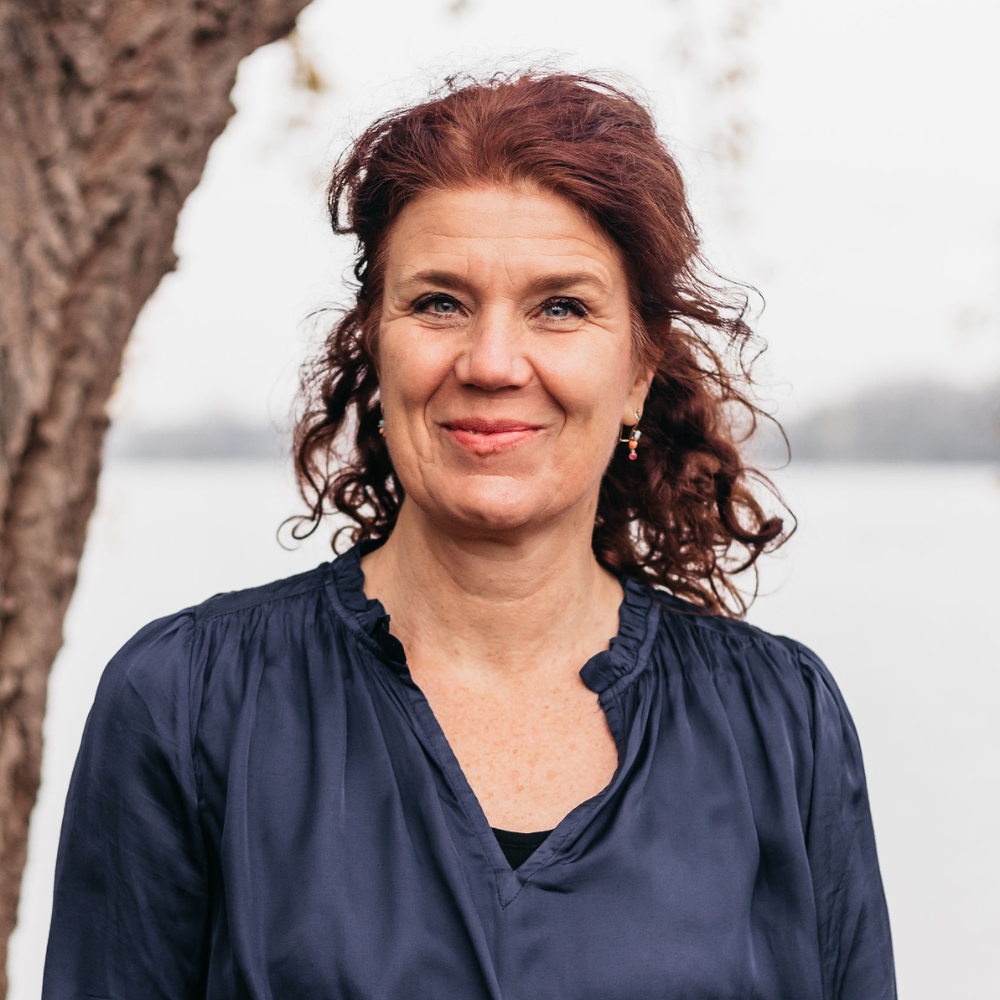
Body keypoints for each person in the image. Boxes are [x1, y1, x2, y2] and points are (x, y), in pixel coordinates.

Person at [42, 73, 896, 998]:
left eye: (560, 307)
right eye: (440, 303)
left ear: (639, 371)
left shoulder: (780, 722)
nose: (491, 364)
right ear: (374, 343)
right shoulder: (189, 701)